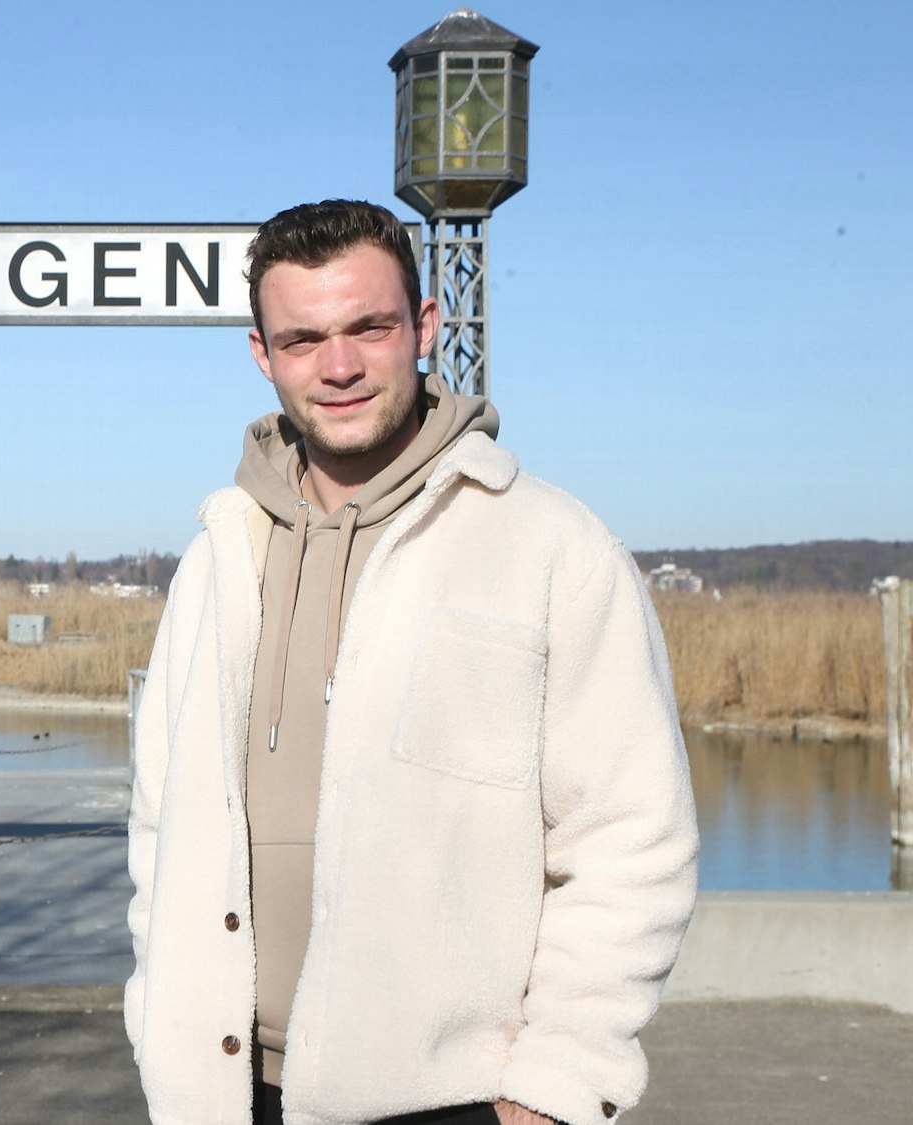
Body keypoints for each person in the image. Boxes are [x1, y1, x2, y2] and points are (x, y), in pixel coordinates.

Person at [123, 199, 698, 1125]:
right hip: (223, 1096)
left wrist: (555, 1084)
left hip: (459, 1102)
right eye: (303, 338)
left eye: (370, 327)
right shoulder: (217, 557)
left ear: (425, 327)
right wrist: (160, 1024)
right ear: (262, 356)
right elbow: (161, 826)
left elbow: (633, 838)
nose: (339, 365)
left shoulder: (548, 544)